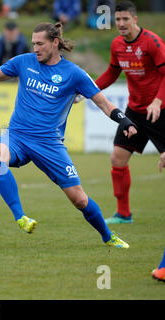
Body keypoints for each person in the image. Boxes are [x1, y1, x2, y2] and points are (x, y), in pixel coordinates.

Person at [0, 22, 136, 248]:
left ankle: (108, 236)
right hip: (17, 136)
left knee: (78, 199)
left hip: (49, 145)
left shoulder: (74, 74)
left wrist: (124, 121)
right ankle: (21, 217)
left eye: (40, 44)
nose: (35, 48)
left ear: (55, 43)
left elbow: (104, 104)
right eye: (33, 43)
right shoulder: (23, 62)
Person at [93, 1, 165, 224]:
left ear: (135, 19)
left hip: (160, 111)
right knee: (118, 158)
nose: (121, 24)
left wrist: (158, 101)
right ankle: (123, 214)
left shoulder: (152, 42)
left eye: (126, 19)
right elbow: (112, 74)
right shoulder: (117, 45)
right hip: (134, 111)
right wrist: (88, 89)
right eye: (118, 20)